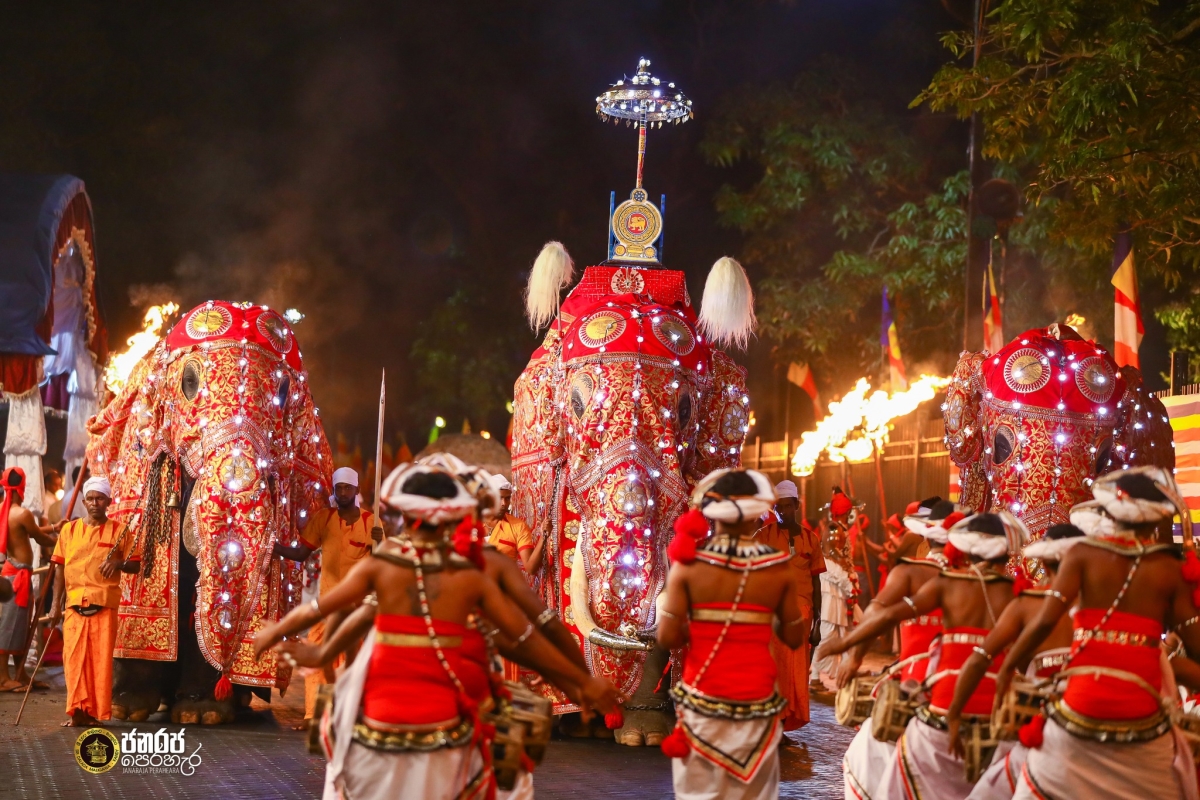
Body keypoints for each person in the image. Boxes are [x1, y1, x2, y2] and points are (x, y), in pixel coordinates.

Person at [254, 464, 615, 800]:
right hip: (450, 718)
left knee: (342, 749)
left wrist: (290, 636)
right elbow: (525, 640)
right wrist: (579, 681)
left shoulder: (386, 561)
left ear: (406, 516)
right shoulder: (475, 571)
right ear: (455, 514)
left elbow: (337, 610)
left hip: (380, 721)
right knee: (511, 769)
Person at [994, 468, 1200, 799]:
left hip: (1079, 707)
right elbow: (1195, 645)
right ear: (1154, 520)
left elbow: (1045, 623)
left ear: (1109, 513)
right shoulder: (1170, 570)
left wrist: (1006, 669)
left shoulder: (1081, 556)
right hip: (1143, 716)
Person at [818, 512, 1022, 800]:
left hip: (938, 704)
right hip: (998, 714)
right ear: (1007, 551)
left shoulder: (947, 583)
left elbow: (886, 614)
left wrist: (847, 647)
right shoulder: (1020, 595)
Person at [658, 468, 808, 800]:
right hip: (757, 704)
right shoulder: (778, 568)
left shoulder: (688, 567)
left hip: (702, 702)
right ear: (757, 514)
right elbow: (794, 637)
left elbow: (667, 638)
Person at [945, 522, 1085, 800]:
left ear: (1044, 563)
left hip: (1047, 727)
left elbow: (979, 660)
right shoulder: (1105, 604)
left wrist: (952, 716)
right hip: (1100, 723)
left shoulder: (1028, 605)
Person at [837, 498, 962, 799]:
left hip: (912, 688)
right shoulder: (985, 583)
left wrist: (854, 658)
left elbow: (876, 614)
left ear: (924, 534)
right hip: (968, 690)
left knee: (865, 756)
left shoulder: (911, 573)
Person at [274, 466, 382, 727]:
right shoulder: (323, 518)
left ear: (356, 490)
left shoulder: (372, 522)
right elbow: (301, 553)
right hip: (326, 603)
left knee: (352, 661)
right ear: (334, 490)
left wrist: (380, 543)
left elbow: (381, 565)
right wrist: (272, 548)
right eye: (339, 488)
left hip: (357, 607)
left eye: (348, 487)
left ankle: (349, 716)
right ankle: (315, 715)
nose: (343, 492)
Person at [49, 476, 140, 726]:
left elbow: (136, 564)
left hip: (103, 606)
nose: (94, 503)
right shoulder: (69, 530)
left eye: (99, 498)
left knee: (99, 662)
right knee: (74, 661)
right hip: (74, 606)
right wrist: (55, 604)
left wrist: (118, 563)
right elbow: (59, 566)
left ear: (108, 501)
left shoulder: (120, 531)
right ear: (83, 501)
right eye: (90, 498)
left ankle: (96, 714)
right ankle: (77, 712)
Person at [753, 479, 824, 734]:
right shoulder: (763, 536)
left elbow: (816, 583)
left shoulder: (811, 540)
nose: (783, 513)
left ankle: (782, 725)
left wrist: (818, 624)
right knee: (773, 673)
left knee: (796, 675)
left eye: (788, 507)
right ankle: (770, 726)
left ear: (797, 505)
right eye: (778, 508)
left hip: (802, 619)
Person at [0, 466, 63, 692]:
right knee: (9, 627)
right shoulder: (22, 513)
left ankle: (20, 674)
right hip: (18, 575)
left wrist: (55, 527)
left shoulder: (5, 510)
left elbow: (28, 530)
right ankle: (3, 678)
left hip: (12, 573)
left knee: (20, 627)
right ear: (22, 487)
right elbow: (38, 536)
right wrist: (61, 540)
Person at [811, 507, 860, 690]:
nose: (839, 541)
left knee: (846, 638)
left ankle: (848, 674)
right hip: (829, 602)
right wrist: (851, 586)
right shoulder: (827, 555)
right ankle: (815, 677)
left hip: (840, 601)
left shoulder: (836, 553)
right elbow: (838, 575)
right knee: (825, 639)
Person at [486, 475, 544, 576]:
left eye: (507, 498)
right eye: (500, 498)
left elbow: (530, 568)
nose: (504, 503)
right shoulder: (471, 523)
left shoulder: (518, 526)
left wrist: (543, 537)